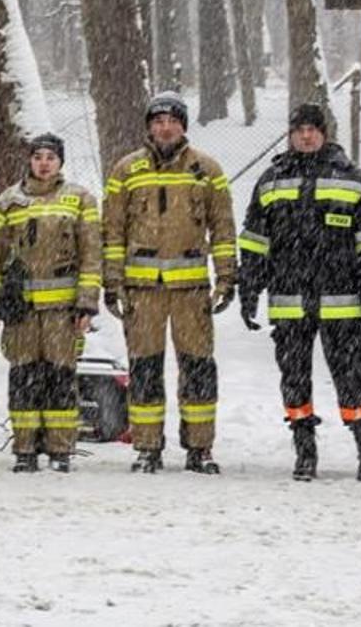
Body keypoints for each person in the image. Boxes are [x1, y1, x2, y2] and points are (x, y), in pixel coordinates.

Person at [237, 103, 361, 486]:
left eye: (313, 129)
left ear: (326, 133)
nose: (306, 135)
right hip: (289, 300)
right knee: (294, 380)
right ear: (291, 134)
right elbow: (256, 241)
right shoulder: (272, 180)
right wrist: (249, 288)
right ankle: (305, 452)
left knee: (353, 380)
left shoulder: (352, 178)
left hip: (340, 301)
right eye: (299, 129)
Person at [101, 91, 237, 474]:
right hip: (142, 291)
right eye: (158, 121)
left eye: (172, 120)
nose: (165, 127)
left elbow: (223, 228)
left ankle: (199, 447)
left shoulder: (206, 170)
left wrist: (226, 277)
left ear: (183, 126)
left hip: (191, 291)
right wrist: (112, 284)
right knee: (145, 367)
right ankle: (147, 446)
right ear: (148, 127)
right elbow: (112, 230)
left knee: (197, 367)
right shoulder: (126, 171)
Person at [0, 133, 99, 474]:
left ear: (60, 162)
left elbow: (91, 257)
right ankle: (25, 448)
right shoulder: (9, 202)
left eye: (50, 157)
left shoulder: (80, 199)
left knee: (60, 379)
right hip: (22, 312)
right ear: (29, 161)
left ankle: (61, 449)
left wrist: (86, 305)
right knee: (24, 378)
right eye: (38, 157)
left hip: (63, 312)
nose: (44, 163)